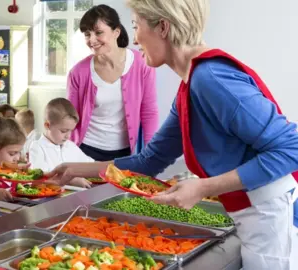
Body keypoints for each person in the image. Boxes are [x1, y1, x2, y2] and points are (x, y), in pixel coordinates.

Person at [49, 0, 298, 268]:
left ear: (163, 28)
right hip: (253, 213)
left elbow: (291, 148)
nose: (134, 38)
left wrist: (203, 187)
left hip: (271, 215)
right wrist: (75, 169)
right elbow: (149, 162)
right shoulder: (190, 87)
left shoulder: (211, 78)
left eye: (136, 26)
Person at [67, 4, 159, 161]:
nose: (92, 40)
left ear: (116, 32)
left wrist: (152, 155)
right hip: (85, 150)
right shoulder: (78, 73)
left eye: (98, 32)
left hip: (124, 152)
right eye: (87, 34)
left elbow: (149, 112)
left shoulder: (141, 64)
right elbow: (69, 118)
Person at [29, 98, 93, 188]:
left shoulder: (70, 146)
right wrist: (71, 180)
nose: (68, 136)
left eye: (71, 131)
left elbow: (89, 164)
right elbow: (39, 175)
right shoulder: (37, 147)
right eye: (63, 131)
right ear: (48, 125)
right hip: (51, 198)